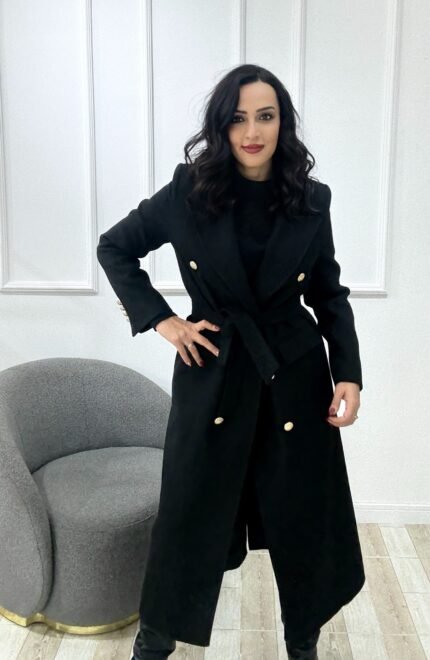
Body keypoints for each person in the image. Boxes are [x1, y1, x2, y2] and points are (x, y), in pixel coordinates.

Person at [97, 64, 363, 660]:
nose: (252, 131)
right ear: (221, 126)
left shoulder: (310, 199)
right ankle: (154, 641)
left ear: (282, 123)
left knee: (301, 514)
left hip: (293, 376)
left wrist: (348, 370)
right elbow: (115, 246)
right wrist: (163, 320)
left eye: (265, 116)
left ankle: (303, 642)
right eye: (238, 118)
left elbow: (328, 292)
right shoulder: (188, 192)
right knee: (187, 514)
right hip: (213, 372)